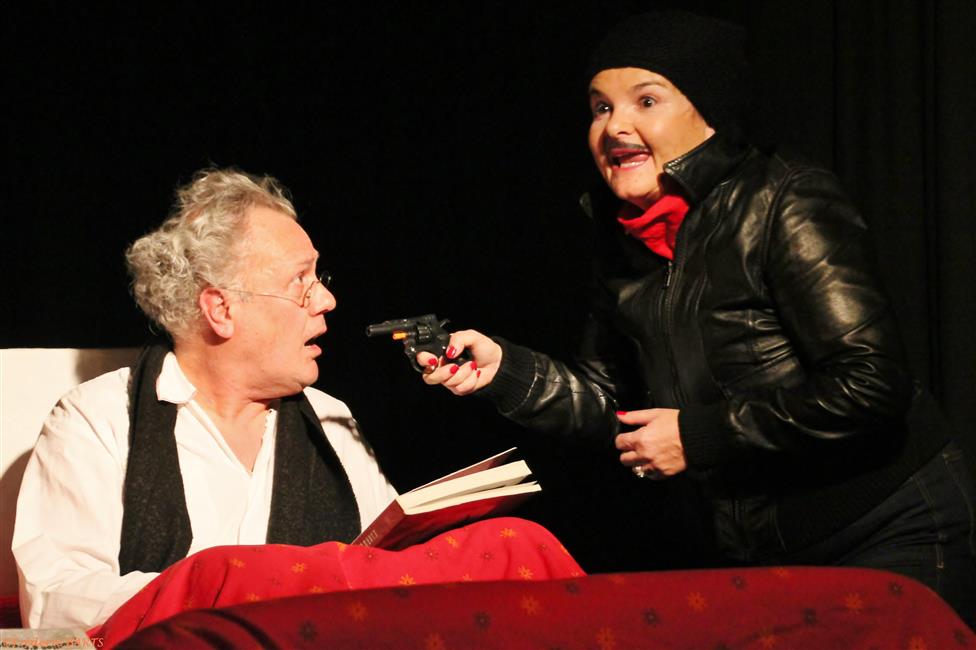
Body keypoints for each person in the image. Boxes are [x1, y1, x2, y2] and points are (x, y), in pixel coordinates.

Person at [418, 10, 976, 627]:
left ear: (707, 114)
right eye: (600, 107)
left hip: (882, 530)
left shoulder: (784, 200)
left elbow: (871, 383)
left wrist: (701, 436)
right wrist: (505, 370)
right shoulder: (620, 238)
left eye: (645, 100)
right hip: (759, 555)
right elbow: (614, 405)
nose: (615, 126)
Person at [12, 168, 400, 628]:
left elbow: (393, 567)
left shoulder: (332, 422)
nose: (327, 300)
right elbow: (57, 601)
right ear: (221, 309)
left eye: (320, 276)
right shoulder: (98, 421)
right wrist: (223, 590)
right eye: (301, 281)